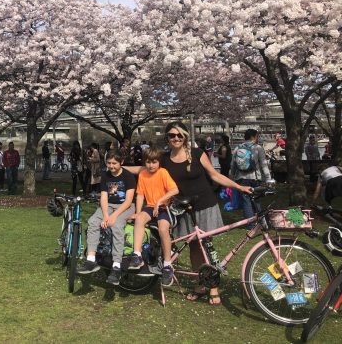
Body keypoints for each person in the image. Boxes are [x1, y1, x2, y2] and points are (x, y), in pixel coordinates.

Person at [128, 122, 252, 305]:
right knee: (194, 247)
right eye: (171, 135)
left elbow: (214, 175)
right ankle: (200, 285)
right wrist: (118, 168)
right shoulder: (164, 159)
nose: (175, 138)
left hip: (204, 204)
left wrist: (238, 186)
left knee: (206, 245)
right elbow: (144, 170)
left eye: (179, 135)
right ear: (167, 138)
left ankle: (214, 287)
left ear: (185, 136)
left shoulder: (197, 154)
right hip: (182, 207)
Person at [77, 149, 136, 285]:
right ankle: (91, 259)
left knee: (116, 225)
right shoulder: (105, 175)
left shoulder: (128, 176)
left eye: (114, 163)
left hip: (125, 206)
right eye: (109, 163)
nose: (111, 166)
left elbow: (128, 201)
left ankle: (116, 265)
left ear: (121, 162)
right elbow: (103, 197)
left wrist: (113, 216)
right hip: (108, 206)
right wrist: (105, 216)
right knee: (92, 222)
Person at [128, 148, 179, 286]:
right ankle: (137, 255)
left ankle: (168, 265)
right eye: (148, 162)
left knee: (163, 228)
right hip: (150, 207)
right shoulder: (143, 174)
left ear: (159, 162)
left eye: (154, 162)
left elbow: (175, 190)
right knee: (139, 219)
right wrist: (138, 212)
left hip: (164, 208)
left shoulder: (163, 172)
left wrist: (160, 201)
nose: (151, 165)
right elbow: (140, 195)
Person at [230, 129, 274, 225]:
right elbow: (264, 165)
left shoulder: (237, 148)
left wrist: (232, 178)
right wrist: (268, 179)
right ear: (253, 137)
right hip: (255, 178)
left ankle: (250, 224)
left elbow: (233, 165)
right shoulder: (258, 148)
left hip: (241, 179)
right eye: (257, 136)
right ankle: (260, 221)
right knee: (256, 199)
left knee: (246, 201)